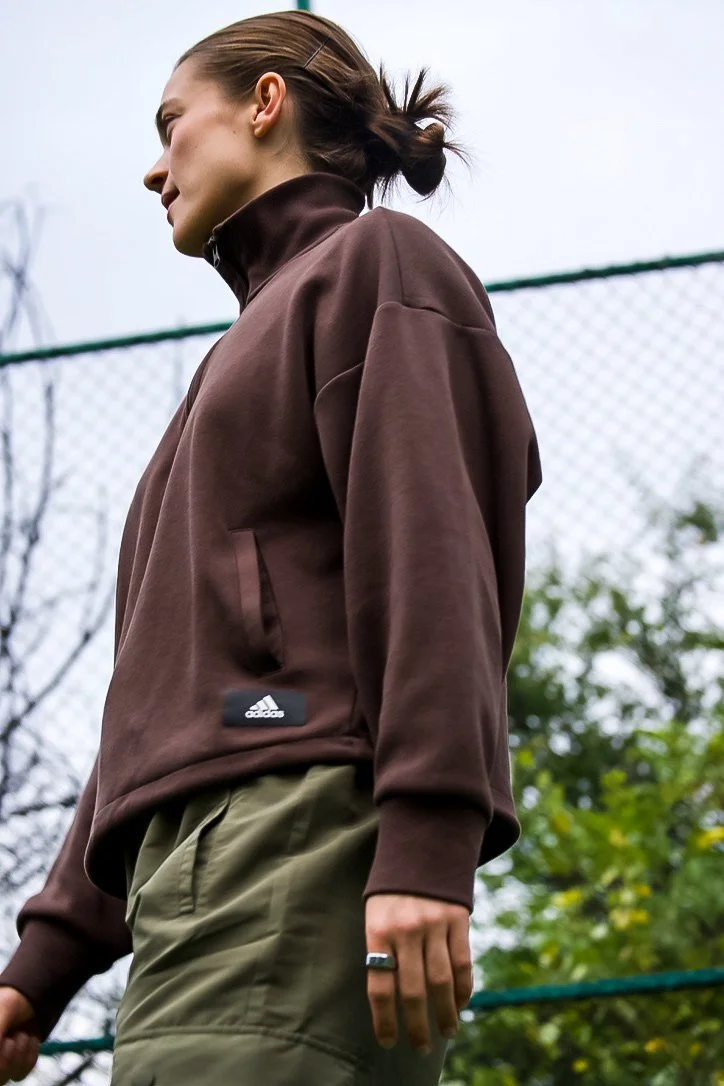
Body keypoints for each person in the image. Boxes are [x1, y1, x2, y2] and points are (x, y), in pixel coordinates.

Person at [0, 9, 541, 1085]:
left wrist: (428, 844)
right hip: (203, 869)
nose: (154, 169)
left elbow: (432, 556)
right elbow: (165, 698)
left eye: (171, 124)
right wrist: (45, 962)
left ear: (263, 103)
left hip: (287, 841)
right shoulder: (232, 358)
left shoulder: (376, 265)